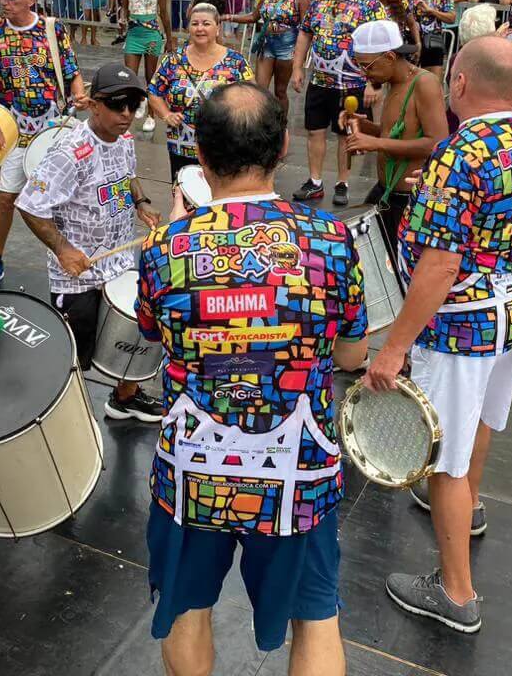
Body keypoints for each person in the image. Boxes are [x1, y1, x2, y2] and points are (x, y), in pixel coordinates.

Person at [137, 81, 368, 675]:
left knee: (187, 609)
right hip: (297, 470)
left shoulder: (163, 247)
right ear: (284, 146)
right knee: (316, 616)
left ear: (201, 156)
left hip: (194, 470)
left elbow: (151, 331)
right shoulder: (332, 242)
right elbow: (350, 356)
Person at [370, 36, 512, 634]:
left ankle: (455, 592)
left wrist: (394, 345)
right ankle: (468, 509)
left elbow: (440, 266)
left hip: (463, 323)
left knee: (443, 457)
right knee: (479, 422)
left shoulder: (460, 153)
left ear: (463, 84)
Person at [16, 64, 163, 422]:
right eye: (117, 104)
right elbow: (30, 205)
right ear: (94, 104)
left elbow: (128, 176)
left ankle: (125, 397)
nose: (127, 113)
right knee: (76, 354)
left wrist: (140, 202)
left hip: (118, 262)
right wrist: (64, 250)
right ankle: (70, 418)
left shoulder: (124, 139)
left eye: (134, 104)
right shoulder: (69, 152)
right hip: (77, 274)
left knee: (130, 332)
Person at [0, 0, 88, 292]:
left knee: (66, 200)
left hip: (54, 130)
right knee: (6, 199)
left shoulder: (52, 29)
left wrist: (79, 94)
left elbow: (71, 71)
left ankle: (71, 256)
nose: (4, 1)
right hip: (15, 130)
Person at [291, 0, 387, 206]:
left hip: (352, 84)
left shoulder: (370, 5)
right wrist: (297, 67)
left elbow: (380, 47)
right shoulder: (320, 0)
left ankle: (342, 182)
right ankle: (315, 181)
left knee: (346, 134)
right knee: (315, 131)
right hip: (320, 80)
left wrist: (373, 83)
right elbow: (305, 34)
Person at [342, 19, 447, 248]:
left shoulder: (424, 83)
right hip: (386, 193)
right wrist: (366, 127)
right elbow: (398, 134)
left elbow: (437, 144)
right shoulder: (393, 82)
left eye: (367, 66)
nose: (364, 73)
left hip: (410, 199)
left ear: (390, 57)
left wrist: (375, 143)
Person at [147, 3, 253, 179]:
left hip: (222, 145)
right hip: (181, 145)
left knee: (219, 199)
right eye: (195, 24)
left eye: (206, 23)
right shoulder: (173, 60)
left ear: (217, 28)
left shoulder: (236, 62)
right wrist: (166, 115)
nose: (200, 28)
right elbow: (154, 92)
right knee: (184, 196)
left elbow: (252, 98)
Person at [228, 0, 309, 119]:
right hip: (267, 45)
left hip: (287, 47)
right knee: (260, 89)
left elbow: (306, 29)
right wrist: (228, 17)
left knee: (280, 91)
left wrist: (300, 63)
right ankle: (261, 123)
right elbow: (253, 16)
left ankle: (281, 126)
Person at [120, 0, 174, 133]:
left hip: (152, 35)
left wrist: (170, 38)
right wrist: (122, 18)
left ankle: (151, 115)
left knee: (151, 77)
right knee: (129, 77)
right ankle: (137, 104)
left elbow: (164, 14)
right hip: (134, 33)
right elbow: (124, 6)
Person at [403, 0, 457, 77]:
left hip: (433, 41)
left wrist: (431, 11)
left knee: (433, 81)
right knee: (408, 80)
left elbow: (452, 17)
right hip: (411, 39)